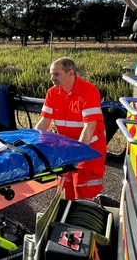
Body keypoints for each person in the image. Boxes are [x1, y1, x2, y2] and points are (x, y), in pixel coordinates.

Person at [35, 58, 105, 200]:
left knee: (84, 195)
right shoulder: (52, 93)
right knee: (64, 193)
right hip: (66, 150)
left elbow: (89, 128)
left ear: (70, 73)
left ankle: (85, 221)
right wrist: (32, 142)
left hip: (88, 151)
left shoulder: (88, 91)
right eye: (51, 74)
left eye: (56, 74)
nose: (52, 78)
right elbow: (44, 122)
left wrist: (76, 154)